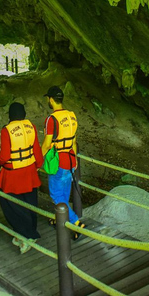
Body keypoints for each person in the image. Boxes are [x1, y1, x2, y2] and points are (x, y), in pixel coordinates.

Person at [0, 102, 44, 254]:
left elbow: (5, 156)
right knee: (30, 202)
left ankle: (26, 235)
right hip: (29, 172)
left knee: (10, 204)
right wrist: (38, 164)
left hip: (12, 175)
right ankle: (30, 231)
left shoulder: (6, 130)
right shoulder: (31, 127)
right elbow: (36, 150)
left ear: (10, 115)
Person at [41, 86, 85, 239]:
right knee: (64, 194)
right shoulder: (71, 116)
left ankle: (75, 223)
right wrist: (75, 160)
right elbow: (74, 140)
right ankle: (58, 218)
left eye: (48, 98)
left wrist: (38, 160)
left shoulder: (51, 119)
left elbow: (47, 144)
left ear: (51, 100)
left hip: (58, 161)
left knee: (56, 195)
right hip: (71, 160)